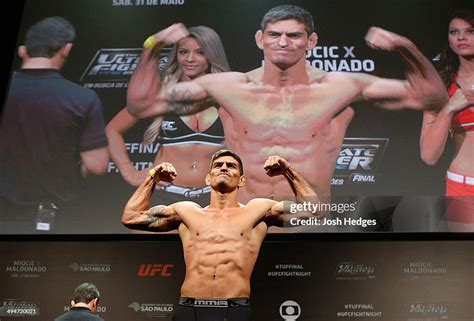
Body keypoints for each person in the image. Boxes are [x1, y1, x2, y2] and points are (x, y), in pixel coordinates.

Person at [127, 5, 447, 205]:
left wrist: (407, 47)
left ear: (311, 42)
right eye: (274, 34)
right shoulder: (227, 87)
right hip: (244, 221)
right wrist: (152, 45)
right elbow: (141, 106)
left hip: (309, 223)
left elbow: (431, 98)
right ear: (259, 39)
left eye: (294, 35)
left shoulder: (341, 86)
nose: (283, 42)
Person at [122, 149, 318, 321]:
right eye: (218, 165)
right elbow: (131, 217)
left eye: (231, 166)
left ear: (241, 180)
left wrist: (287, 171)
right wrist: (153, 176)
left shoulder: (258, 211)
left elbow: (314, 211)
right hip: (190, 308)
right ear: (208, 178)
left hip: (234, 308)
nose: (224, 168)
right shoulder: (186, 212)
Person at [0, 17, 109, 233]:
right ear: (66, 49)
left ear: (24, 51)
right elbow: (97, 165)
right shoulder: (82, 98)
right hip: (48, 219)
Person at [106, 26, 229, 208]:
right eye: (183, 52)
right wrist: (130, 172)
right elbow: (112, 130)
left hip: (213, 198)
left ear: (212, 56)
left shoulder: (226, 95)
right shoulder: (163, 95)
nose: (190, 59)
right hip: (163, 196)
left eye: (200, 52)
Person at [420, 9, 474, 231]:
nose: (461, 37)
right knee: (465, 261)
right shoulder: (440, 87)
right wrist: (449, 108)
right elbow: (428, 155)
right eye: (454, 32)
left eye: (470, 31)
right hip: (463, 188)